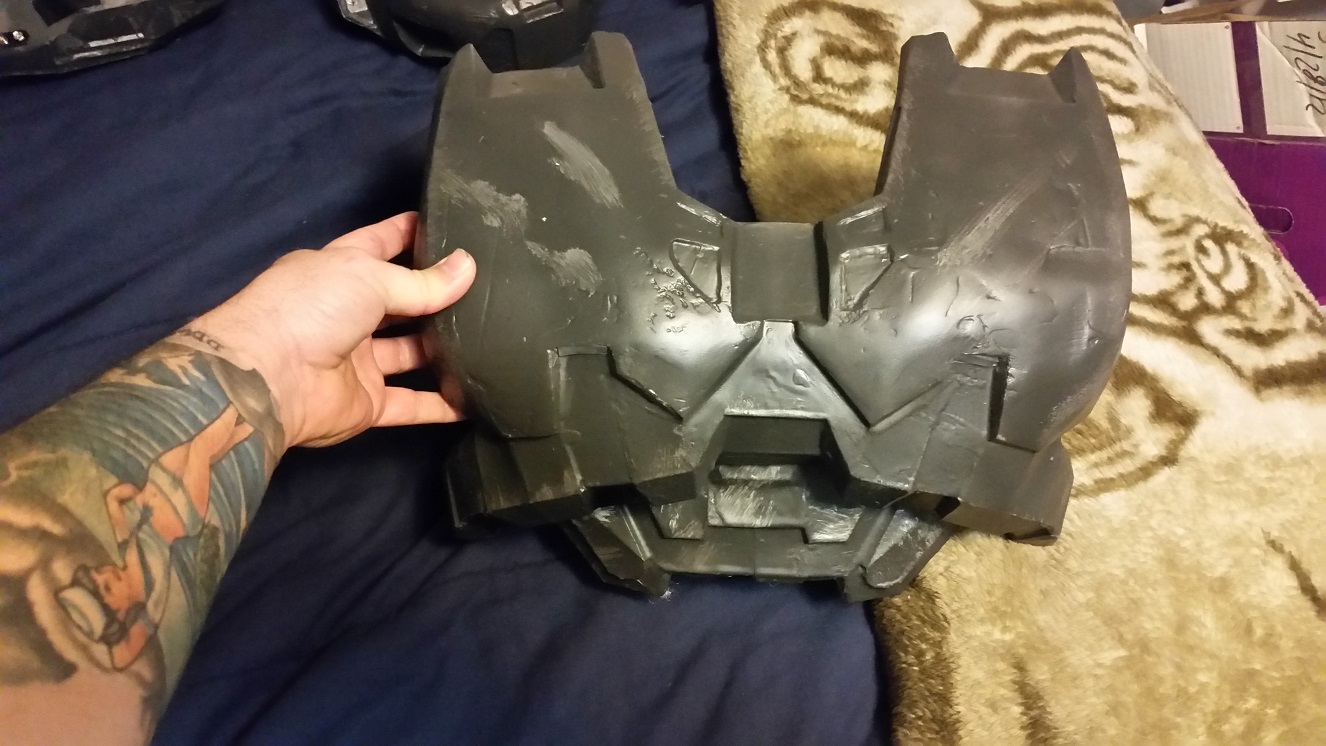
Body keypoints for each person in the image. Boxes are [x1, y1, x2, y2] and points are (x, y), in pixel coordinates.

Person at [0, 212, 476, 745]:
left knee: (200, 445)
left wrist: (276, 352)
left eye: (95, 580)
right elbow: (121, 651)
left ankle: (247, 406)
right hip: (177, 510)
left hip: (161, 494)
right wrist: (271, 352)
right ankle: (245, 408)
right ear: (117, 609)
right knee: (203, 449)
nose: (100, 576)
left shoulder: (129, 559)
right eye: (103, 589)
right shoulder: (145, 588)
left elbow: (114, 517)